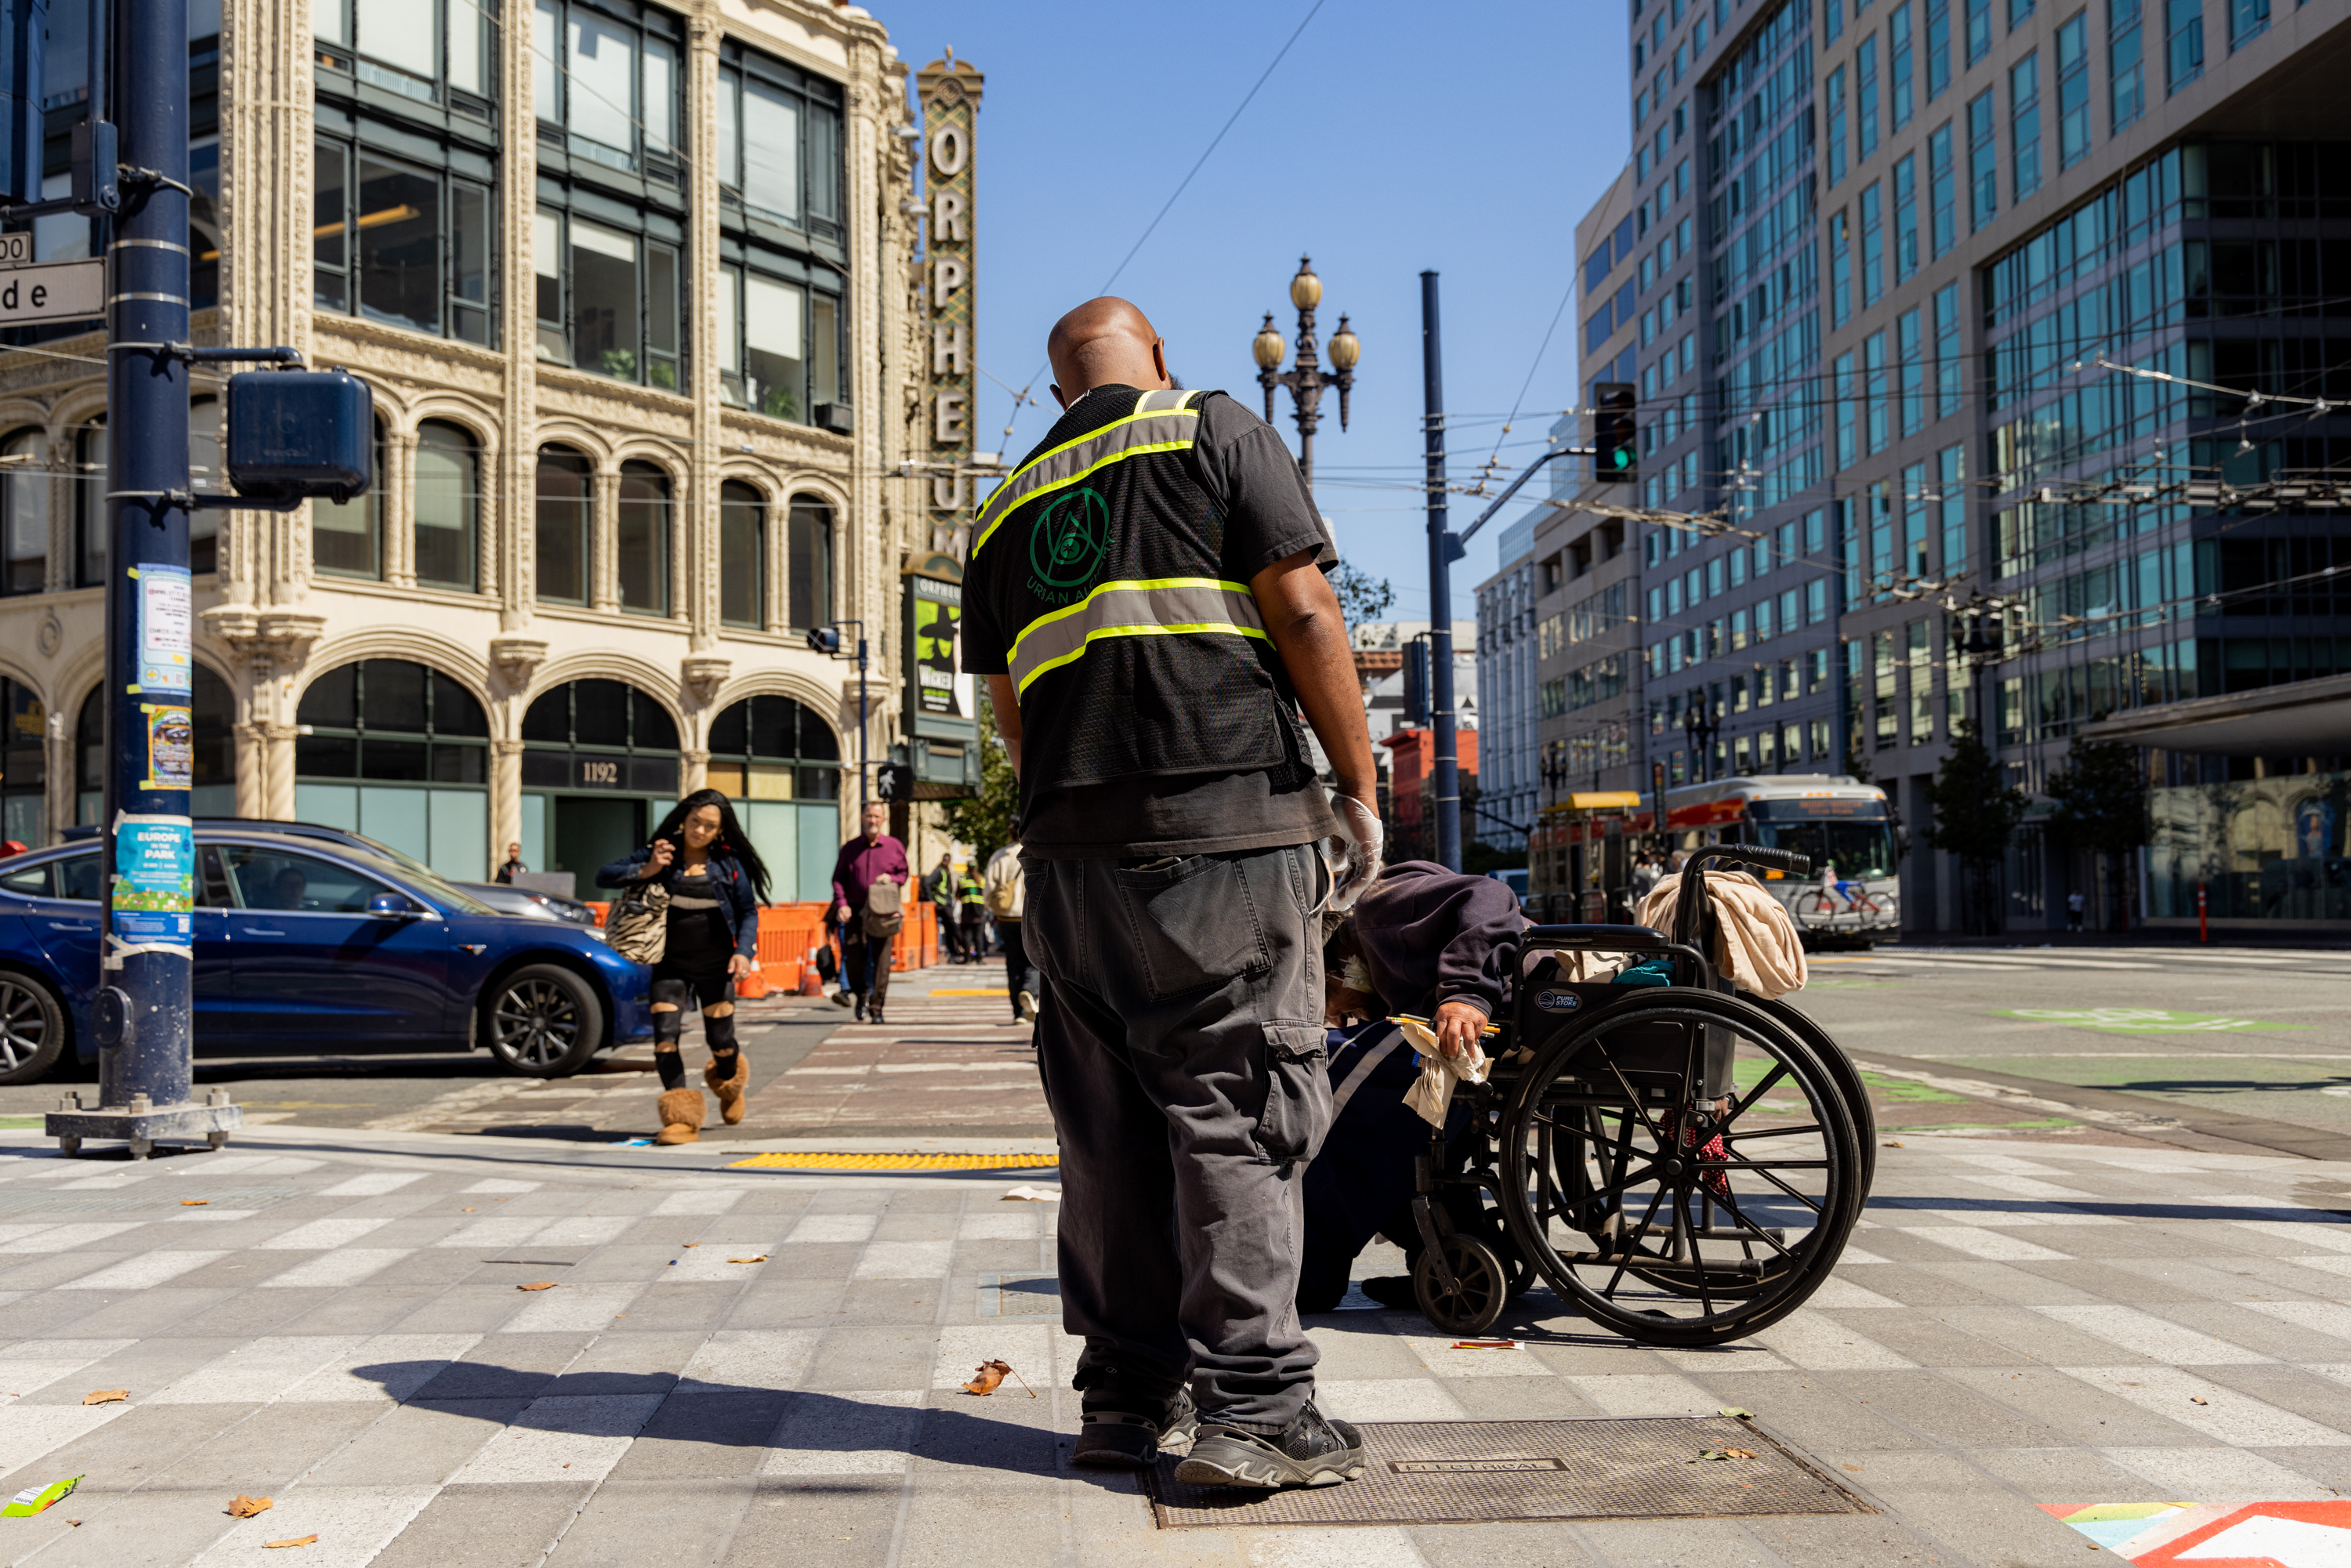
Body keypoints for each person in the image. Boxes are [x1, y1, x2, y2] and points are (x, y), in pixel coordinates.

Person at [963, 296, 1383, 1490]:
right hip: (1226, 836)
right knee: (1237, 1114)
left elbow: (1014, 712)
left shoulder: (1006, 506)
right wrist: (1356, 788)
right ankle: (1255, 1408)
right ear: (1154, 358)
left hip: (1070, 862)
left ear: (1057, 392)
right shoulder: (1209, 426)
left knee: (1108, 1140)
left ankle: (1123, 1399)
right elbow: (1302, 607)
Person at [1299, 862, 1523, 1313]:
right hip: (1473, 1039)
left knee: (1325, 1090)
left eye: (1329, 998)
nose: (1338, 1011)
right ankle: (1447, 1262)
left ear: (1337, 966)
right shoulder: (1385, 937)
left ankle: (1309, 1275)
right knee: (1411, 1127)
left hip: (1494, 1021)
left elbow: (1490, 892)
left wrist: (1465, 992)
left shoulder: (1376, 906)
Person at [597, 789, 770, 1145]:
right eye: (695, 822)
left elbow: (747, 912)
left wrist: (744, 952)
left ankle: (729, 1084)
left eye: (709, 826)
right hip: (670, 965)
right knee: (664, 1041)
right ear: (684, 819)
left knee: (721, 1043)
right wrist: (648, 869)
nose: (699, 831)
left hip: (716, 966)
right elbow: (604, 875)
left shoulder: (729, 862)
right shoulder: (662, 852)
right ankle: (680, 1119)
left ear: (719, 831)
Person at [830, 801, 908, 1023]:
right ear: (862, 818)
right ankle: (861, 996)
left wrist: (891, 879)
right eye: (869, 816)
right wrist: (842, 903)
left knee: (882, 962)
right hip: (855, 911)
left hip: (882, 912)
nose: (872, 820)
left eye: (877, 817)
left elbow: (903, 874)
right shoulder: (850, 848)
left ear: (883, 820)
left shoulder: (894, 847)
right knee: (853, 959)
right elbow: (838, 879)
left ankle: (877, 1009)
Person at [984, 838, 1038, 1023]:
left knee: (1013, 962)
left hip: (1005, 916)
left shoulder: (1000, 855)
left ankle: (1019, 1013)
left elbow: (989, 886)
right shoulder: (1036, 850)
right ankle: (1030, 990)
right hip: (1030, 913)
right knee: (1034, 959)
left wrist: (989, 906)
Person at [923, 852, 962, 962]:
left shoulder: (945, 871)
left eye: (947, 860)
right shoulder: (939, 870)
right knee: (954, 928)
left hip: (947, 903)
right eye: (944, 860)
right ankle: (966, 949)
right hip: (943, 904)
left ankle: (954, 954)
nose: (946, 862)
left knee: (949, 930)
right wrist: (931, 899)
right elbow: (927, 882)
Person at [956, 859, 987, 966]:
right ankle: (979, 959)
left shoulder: (963, 880)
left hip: (967, 914)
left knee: (967, 937)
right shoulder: (982, 880)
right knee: (979, 937)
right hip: (979, 914)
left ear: (967, 868)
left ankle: (968, 959)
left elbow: (957, 896)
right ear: (977, 867)